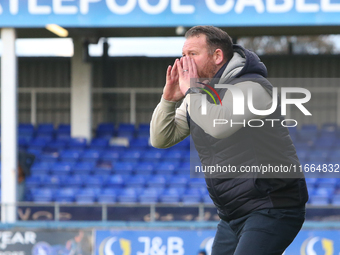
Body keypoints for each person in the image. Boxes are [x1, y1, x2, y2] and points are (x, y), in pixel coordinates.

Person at [150, 26, 308, 255]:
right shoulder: (198, 95)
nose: (184, 62)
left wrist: (191, 91)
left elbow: (219, 125)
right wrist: (168, 99)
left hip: (273, 206)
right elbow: (160, 139)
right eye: (183, 55)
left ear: (217, 56)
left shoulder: (252, 87)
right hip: (232, 214)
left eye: (193, 54)